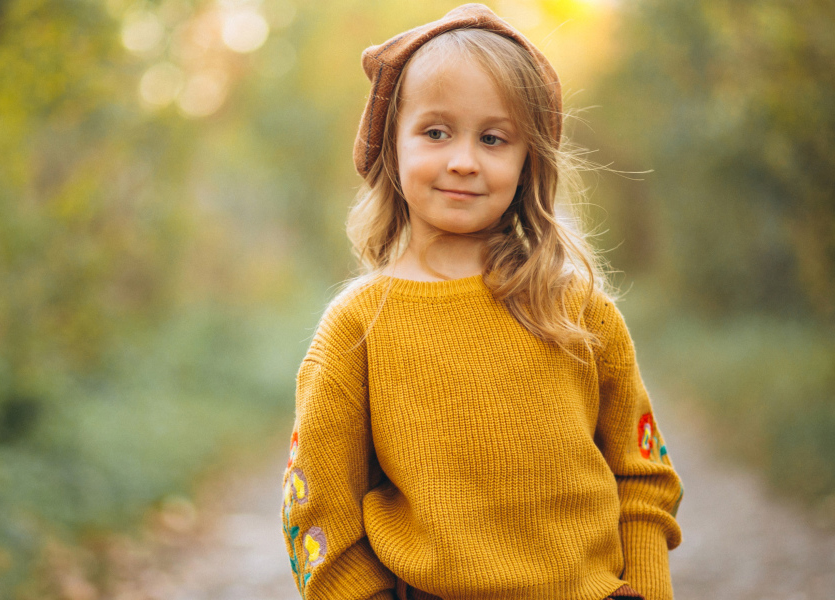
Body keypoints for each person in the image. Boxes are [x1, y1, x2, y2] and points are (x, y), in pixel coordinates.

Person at [279, 4, 683, 600]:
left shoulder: (575, 308)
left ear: (527, 164)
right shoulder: (359, 327)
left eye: (493, 138)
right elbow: (317, 506)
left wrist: (648, 590)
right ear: (392, 146)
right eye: (436, 131)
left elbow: (641, 476)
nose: (463, 160)